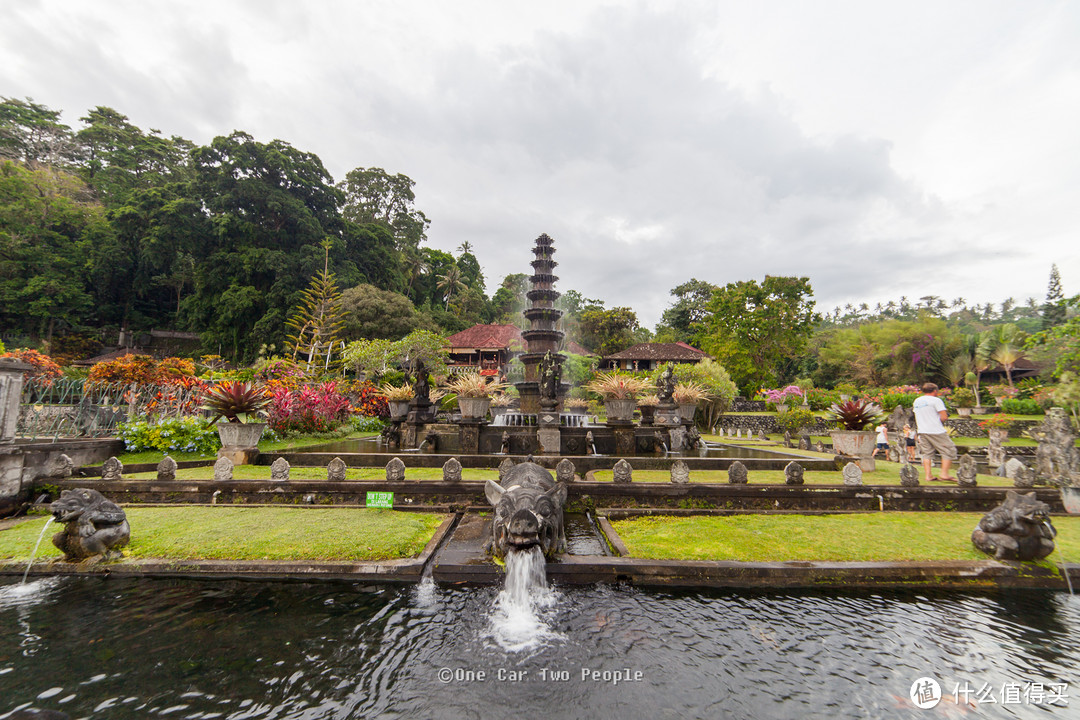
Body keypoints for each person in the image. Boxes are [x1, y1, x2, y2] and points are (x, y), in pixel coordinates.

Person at [912, 383, 957, 482]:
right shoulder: (936, 400)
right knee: (949, 450)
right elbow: (944, 416)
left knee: (927, 453)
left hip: (922, 430)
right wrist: (938, 422)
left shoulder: (917, 401)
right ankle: (944, 474)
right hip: (936, 430)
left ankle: (928, 476)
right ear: (935, 391)